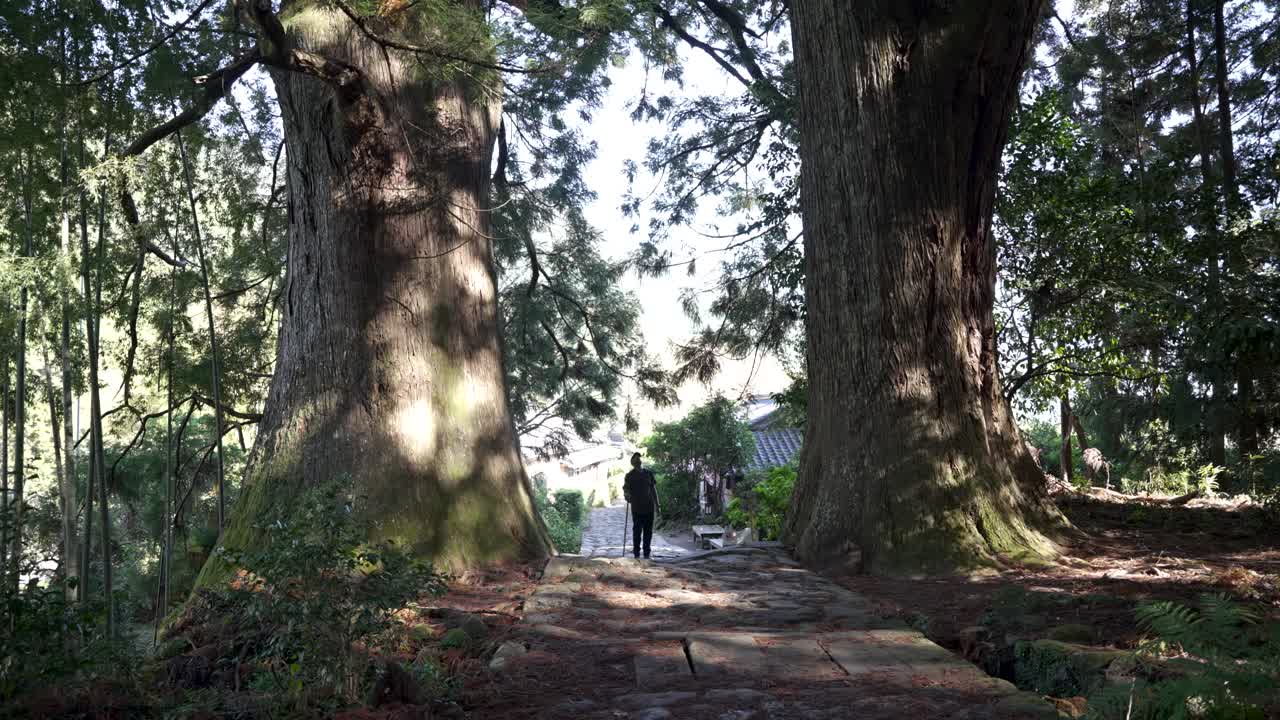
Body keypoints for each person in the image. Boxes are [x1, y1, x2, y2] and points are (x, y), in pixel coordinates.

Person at [622, 452, 659, 559]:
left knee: (648, 531)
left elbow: (653, 490)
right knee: (637, 531)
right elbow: (626, 489)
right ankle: (636, 553)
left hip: (649, 507)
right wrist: (627, 495)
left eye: (639, 458)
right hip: (637, 508)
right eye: (635, 459)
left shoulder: (648, 473)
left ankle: (647, 553)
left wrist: (658, 505)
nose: (638, 460)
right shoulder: (629, 476)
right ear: (632, 462)